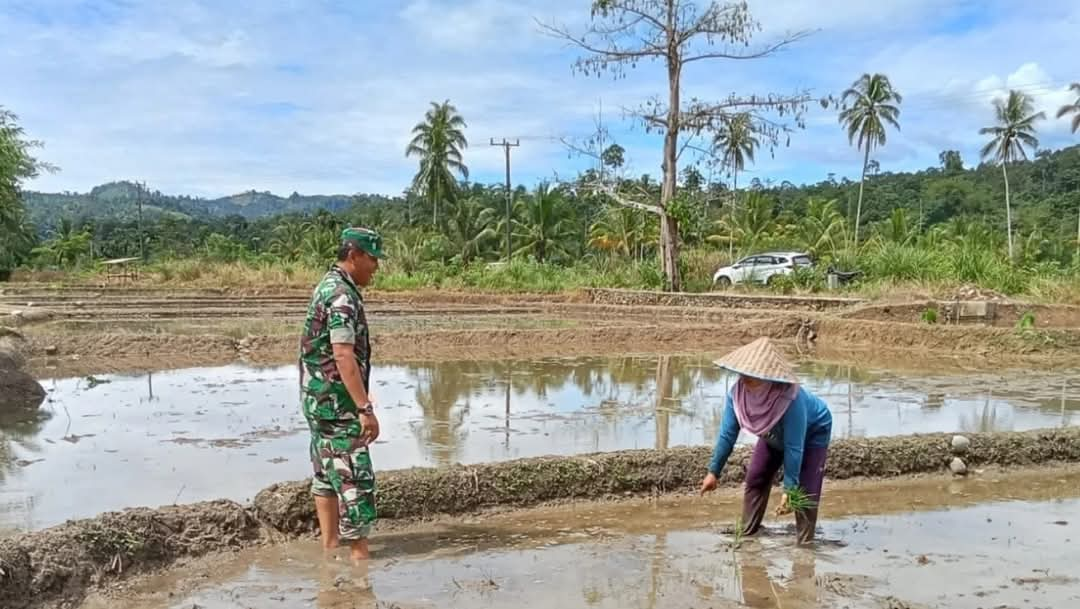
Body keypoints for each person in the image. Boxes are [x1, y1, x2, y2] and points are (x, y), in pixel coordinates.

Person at [300, 226, 385, 562]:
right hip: (337, 406)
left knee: (326, 474)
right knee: (355, 478)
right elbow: (343, 354)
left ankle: (330, 549)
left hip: (318, 401)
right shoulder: (342, 296)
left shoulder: (328, 286)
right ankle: (360, 561)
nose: (376, 266)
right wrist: (364, 407)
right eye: (373, 258)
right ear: (354, 256)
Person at [699, 337, 832, 544]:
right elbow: (727, 435)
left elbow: (794, 447)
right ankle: (749, 530)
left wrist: (789, 489)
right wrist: (713, 472)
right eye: (743, 374)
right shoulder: (737, 396)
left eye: (752, 376)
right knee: (756, 477)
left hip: (813, 432)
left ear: (770, 378)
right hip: (773, 432)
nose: (745, 379)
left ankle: (805, 545)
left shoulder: (790, 398)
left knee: (804, 491)